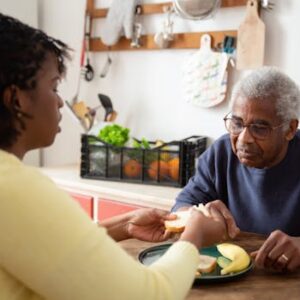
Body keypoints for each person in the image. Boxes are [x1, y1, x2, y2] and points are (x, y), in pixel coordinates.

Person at [0, 13, 231, 300]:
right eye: (54, 86)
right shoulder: (15, 189)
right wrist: (193, 238)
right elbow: (149, 295)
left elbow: (46, 250)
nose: (60, 101)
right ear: (16, 100)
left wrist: (124, 225)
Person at [173, 66, 300, 273]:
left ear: (290, 129)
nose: (244, 139)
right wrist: (198, 215)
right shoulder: (221, 153)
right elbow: (180, 208)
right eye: (237, 123)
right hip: (229, 279)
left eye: (260, 128)